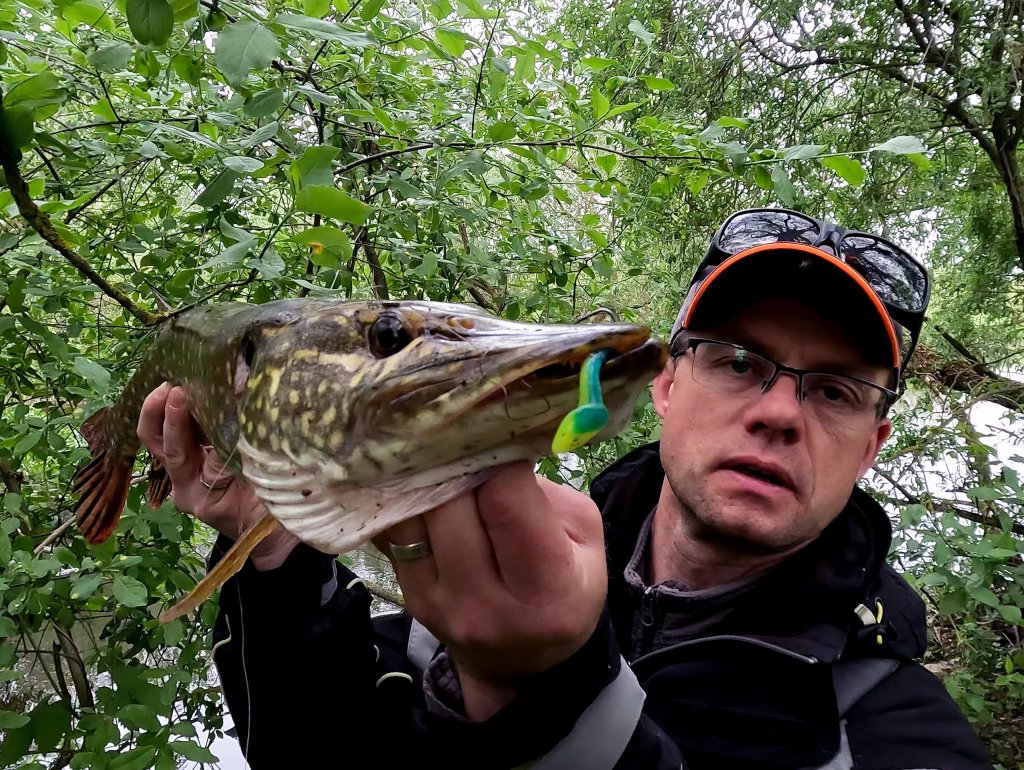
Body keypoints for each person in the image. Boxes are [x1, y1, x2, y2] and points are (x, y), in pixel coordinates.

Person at [137, 207, 993, 769]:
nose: (777, 413)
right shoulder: (489, 589)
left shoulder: (895, 736)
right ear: (665, 387)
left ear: (873, 445)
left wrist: (545, 691)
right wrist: (275, 548)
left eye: (835, 390)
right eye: (739, 362)